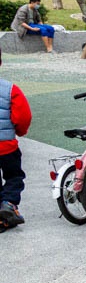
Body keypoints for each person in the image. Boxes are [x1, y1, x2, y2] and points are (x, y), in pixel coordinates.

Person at [0, 48, 32, 232]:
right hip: (6, 147)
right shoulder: (10, 89)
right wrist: (20, 131)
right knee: (14, 176)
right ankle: (9, 203)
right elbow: (23, 116)